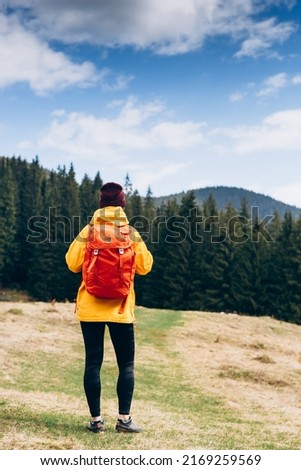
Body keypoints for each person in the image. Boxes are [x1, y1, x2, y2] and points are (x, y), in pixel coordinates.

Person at [65, 182, 153, 433]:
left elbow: (72, 263)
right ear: (123, 204)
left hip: (90, 308)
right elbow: (146, 267)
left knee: (93, 363)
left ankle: (95, 421)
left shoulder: (88, 231)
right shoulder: (130, 233)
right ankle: (124, 420)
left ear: (100, 204)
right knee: (126, 365)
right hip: (121, 309)